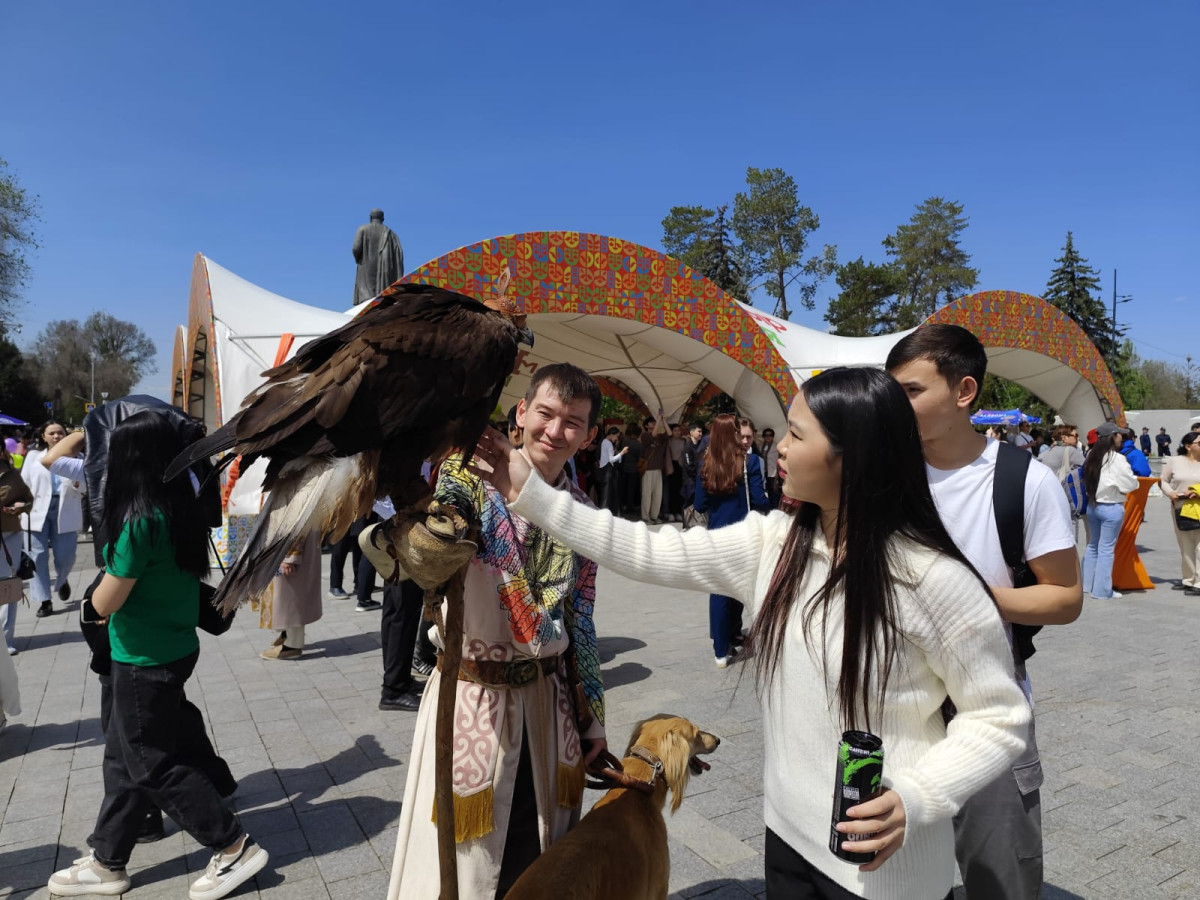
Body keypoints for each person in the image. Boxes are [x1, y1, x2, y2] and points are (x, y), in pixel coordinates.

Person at [473, 366, 1030, 900]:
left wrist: (918, 796)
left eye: (796, 434)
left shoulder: (935, 580)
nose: (778, 448)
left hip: (885, 869)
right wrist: (534, 494)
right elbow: (644, 549)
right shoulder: (777, 544)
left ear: (850, 457)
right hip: (788, 838)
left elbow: (999, 717)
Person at [386, 363, 608, 900]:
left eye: (573, 422)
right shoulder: (469, 480)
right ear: (521, 413)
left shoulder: (582, 514)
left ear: (590, 435)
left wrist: (594, 718)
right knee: (468, 864)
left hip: (549, 705)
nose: (555, 432)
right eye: (546, 414)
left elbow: (581, 619)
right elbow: (430, 547)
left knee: (538, 858)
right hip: (471, 698)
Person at [886, 323, 1082, 900]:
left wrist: (971, 596)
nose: (897, 407)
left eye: (912, 392)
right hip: (892, 706)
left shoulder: (1025, 480)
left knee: (998, 874)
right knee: (892, 875)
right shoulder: (883, 478)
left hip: (986, 706)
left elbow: (1064, 597)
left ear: (964, 390)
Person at [48, 411, 269, 899]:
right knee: (124, 757)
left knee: (150, 763)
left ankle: (233, 846)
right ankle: (108, 859)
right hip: (174, 647)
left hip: (141, 659)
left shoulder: (137, 523)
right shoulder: (181, 509)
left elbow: (106, 602)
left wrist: (92, 596)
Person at [694, 414, 768, 666]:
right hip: (743, 534)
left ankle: (720, 650)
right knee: (742, 586)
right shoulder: (750, 462)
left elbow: (699, 503)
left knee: (718, 590)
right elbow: (759, 500)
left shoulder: (706, 462)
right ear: (733, 434)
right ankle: (736, 633)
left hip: (716, 534)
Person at [20, 420, 83, 618]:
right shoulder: (33, 456)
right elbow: (25, 482)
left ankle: (62, 579)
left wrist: (76, 484)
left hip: (65, 510)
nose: (56, 437)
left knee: (65, 557)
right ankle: (44, 600)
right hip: (37, 510)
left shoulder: (78, 457)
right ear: (43, 436)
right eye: (52, 433)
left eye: (60, 433)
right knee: (37, 556)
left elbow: (87, 487)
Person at [1080, 423, 1140, 600]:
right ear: (1112, 436)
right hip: (1111, 506)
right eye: (1119, 434)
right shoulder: (1117, 458)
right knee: (1106, 549)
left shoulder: (1092, 455)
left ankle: (1086, 585)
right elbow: (1130, 483)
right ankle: (1101, 591)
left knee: (1092, 546)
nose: (1122, 437)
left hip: (1093, 505)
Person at [259, 531, 323, 659]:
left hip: (290, 549)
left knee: (290, 598)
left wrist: (290, 556)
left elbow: (298, 523)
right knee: (284, 596)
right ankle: (286, 632)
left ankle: (293, 645)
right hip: (282, 546)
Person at [0, 445, 33, 655]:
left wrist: (20, 506)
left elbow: (28, 500)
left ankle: (4, 639)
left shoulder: (12, 475)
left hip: (8, 534)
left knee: (6, 585)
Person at [1159, 431, 1200, 596]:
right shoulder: (1174, 461)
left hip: (1198, 506)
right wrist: (1170, 493)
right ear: (1188, 446)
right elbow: (1162, 480)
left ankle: (1199, 581)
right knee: (1185, 545)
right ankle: (1188, 579)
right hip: (1180, 507)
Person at [352, 208, 405, 304]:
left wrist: (359, 259)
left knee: (366, 295)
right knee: (379, 295)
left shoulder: (362, 229)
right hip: (385, 270)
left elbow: (356, 248)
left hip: (366, 267)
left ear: (370, 218)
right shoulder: (392, 235)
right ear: (383, 219)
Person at [640, 412, 669, 523]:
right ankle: (645, 516)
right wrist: (658, 420)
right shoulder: (645, 436)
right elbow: (653, 435)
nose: (654, 423)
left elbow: (669, 433)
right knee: (647, 494)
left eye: (654, 421)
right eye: (651, 422)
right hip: (647, 469)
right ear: (646, 426)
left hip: (658, 468)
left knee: (658, 494)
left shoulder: (660, 437)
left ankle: (654, 515)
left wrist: (663, 420)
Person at [595, 426, 626, 515]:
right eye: (616, 436)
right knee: (607, 494)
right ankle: (606, 513)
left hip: (605, 469)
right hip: (607, 470)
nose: (617, 438)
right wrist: (622, 453)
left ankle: (606, 512)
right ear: (612, 434)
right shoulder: (607, 443)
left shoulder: (605, 442)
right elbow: (611, 459)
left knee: (606, 494)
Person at [760, 426, 781, 508]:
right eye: (766, 435)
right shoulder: (761, 446)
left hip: (773, 473)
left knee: (774, 492)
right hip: (764, 472)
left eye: (770, 435)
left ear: (773, 436)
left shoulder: (777, 446)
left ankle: (775, 508)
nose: (768, 437)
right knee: (768, 491)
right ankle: (770, 507)